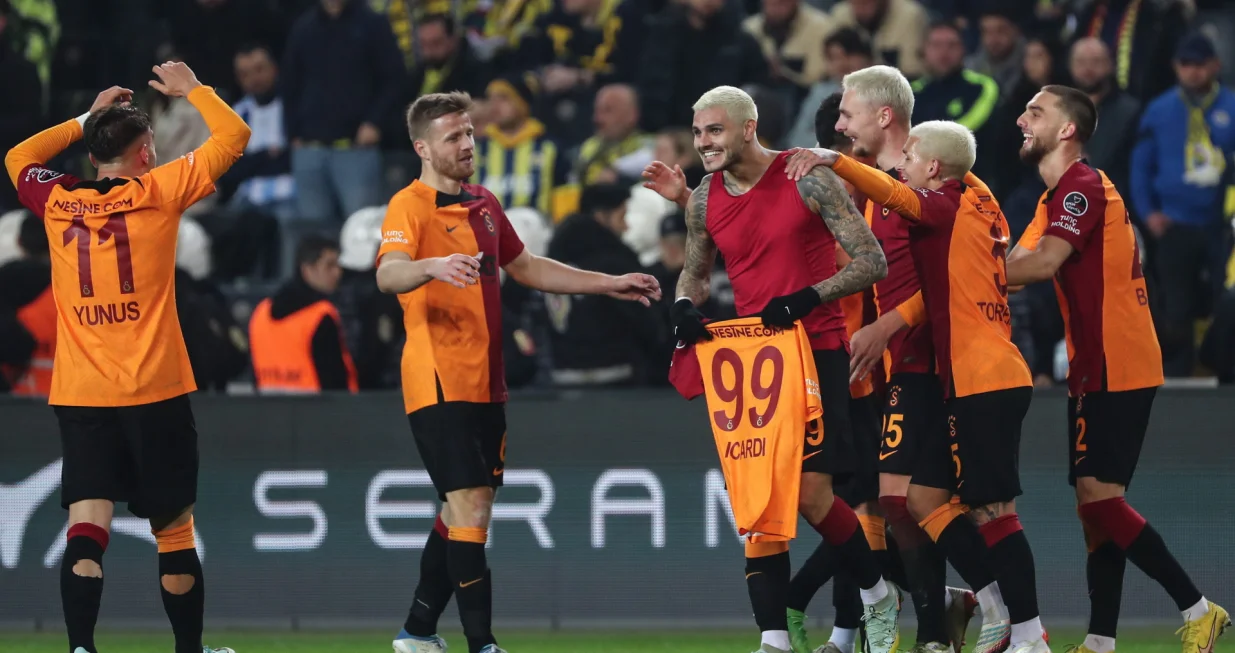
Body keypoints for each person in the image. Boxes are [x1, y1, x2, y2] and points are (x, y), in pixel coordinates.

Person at [377, 91, 660, 653]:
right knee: (473, 505)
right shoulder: (407, 206)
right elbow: (388, 274)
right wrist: (431, 265)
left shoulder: (483, 204)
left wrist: (608, 282)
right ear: (422, 148)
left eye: (469, 135)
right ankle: (481, 643)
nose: (466, 145)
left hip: (487, 381)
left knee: (460, 509)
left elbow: (526, 266)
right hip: (437, 378)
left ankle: (417, 632)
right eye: (453, 137)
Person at [3, 63, 249, 653]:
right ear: (147, 154)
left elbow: (17, 157)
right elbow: (234, 136)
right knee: (173, 528)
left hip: (83, 393)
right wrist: (195, 91)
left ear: (92, 158)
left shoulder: (58, 203)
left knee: (87, 527)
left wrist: (84, 119)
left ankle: (82, 649)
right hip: (156, 391)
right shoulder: (160, 192)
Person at [648, 84, 898, 653]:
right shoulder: (706, 198)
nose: (702, 142)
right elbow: (693, 270)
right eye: (696, 132)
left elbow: (872, 260)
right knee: (759, 505)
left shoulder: (805, 175)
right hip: (752, 361)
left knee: (812, 496)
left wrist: (809, 297)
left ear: (747, 127)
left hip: (817, 352)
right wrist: (685, 305)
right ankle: (773, 641)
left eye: (713, 130)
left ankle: (879, 595)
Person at [799, 121, 1049, 653]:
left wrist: (836, 161)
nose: (902, 164)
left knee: (994, 511)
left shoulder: (944, 202)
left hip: (982, 374)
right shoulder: (975, 205)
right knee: (919, 497)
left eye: (910, 157)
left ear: (932, 169)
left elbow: (896, 195)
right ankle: (985, 616)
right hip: (964, 375)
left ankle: (1028, 634)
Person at [1007, 84, 1230, 653]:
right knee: (1093, 509)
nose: (1021, 119)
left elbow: (1043, 262)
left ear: (1067, 130)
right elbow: (1016, 262)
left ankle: (1198, 608)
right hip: (1094, 363)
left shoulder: (1081, 185)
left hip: (1118, 359)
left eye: (1036, 111)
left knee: (1099, 498)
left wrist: (954, 276)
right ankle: (1102, 641)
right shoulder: (1053, 197)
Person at [786, 65, 989, 653]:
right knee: (878, 505)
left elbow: (951, 274)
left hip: (911, 366)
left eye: (845, 130)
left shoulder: (923, 186)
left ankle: (1002, 618)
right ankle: (927, 618)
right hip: (858, 370)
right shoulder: (866, 194)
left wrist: (890, 324)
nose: (844, 145)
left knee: (887, 503)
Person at [248, 233, 358, 394]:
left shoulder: (261, 311)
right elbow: (334, 379)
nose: (338, 273)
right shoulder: (321, 315)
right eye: (330, 266)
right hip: (316, 413)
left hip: (269, 412)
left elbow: (254, 374)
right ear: (307, 269)